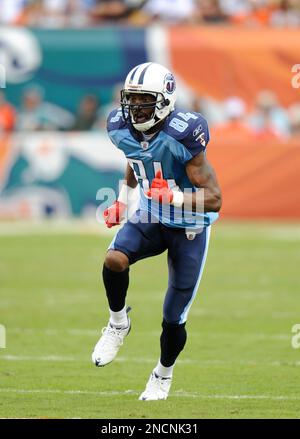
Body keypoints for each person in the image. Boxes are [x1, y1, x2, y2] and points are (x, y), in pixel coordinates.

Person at [91, 62, 222, 401]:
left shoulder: (184, 132)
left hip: (189, 225)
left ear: (164, 100)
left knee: (173, 316)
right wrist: (123, 200)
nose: (134, 107)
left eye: (143, 100)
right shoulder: (120, 127)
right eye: (131, 99)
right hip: (151, 213)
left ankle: (163, 373)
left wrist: (175, 196)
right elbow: (136, 159)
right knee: (114, 259)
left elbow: (214, 200)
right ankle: (118, 322)